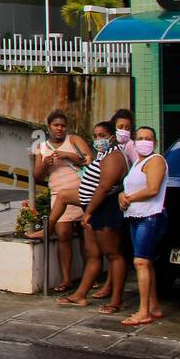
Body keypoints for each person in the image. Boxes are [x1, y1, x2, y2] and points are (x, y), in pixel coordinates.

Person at [57, 120, 128, 312]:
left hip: (104, 209)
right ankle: (80, 295)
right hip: (95, 208)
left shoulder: (114, 157)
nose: (98, 140)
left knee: (113, 255)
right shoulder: (103, 155)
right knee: (94, 254)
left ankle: (115, 301)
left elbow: (104, 187)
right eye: (95, 136)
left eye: (102, 136)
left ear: (112, 136)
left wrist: (88, 212)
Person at [25, 109, 92, 294]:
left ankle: (90, 278)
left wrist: (68, 155)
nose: (60, 129)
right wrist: (45, 164)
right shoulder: (42, 147)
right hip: (58, 194)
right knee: (63, 235)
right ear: (49, 127)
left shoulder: (74, 140)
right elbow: (37, 176)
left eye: (63, 125)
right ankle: (65, 279)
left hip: (82, 191)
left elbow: (89, 160)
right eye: (56, 125)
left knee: (86, 237)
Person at [118, 126, 167, 326]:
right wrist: (123, 195)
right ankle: (153, 306)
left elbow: (153, 189)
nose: (143, 141)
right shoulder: (137, 162)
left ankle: (144, 311)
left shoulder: (156, 160)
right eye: (140, 138)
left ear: (154, 142)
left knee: (140, 263)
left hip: (150, 216)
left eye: (148, 138)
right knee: (145, 262)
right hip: (136, 216)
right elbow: (130, 186)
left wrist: (128, 198)